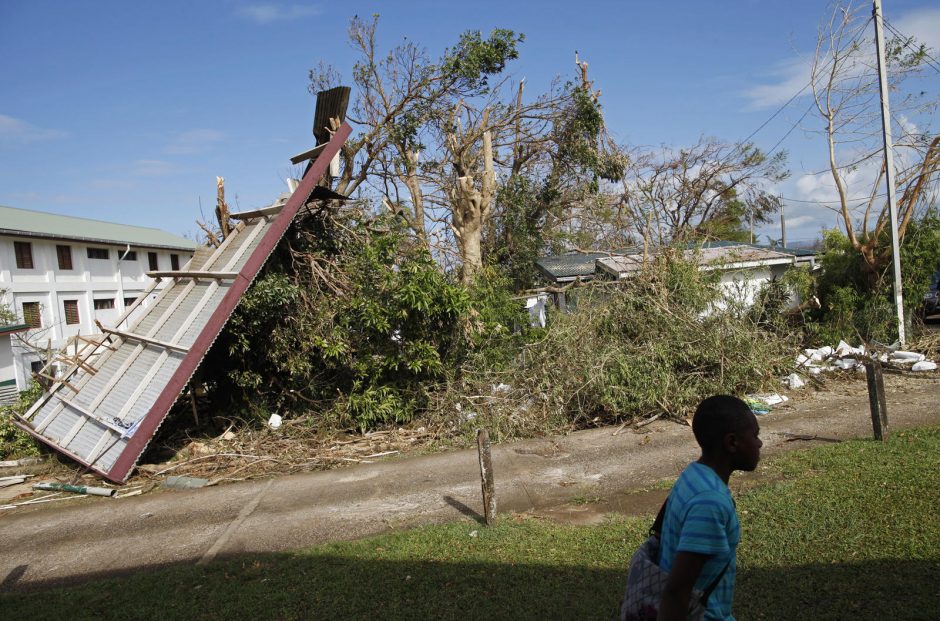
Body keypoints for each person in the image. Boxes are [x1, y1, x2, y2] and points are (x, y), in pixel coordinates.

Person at [657, 395, 762, 621]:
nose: (759, 443)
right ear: (732, 443)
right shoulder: (710, 503)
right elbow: (677, 592)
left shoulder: (693, 475)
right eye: (755, 436)